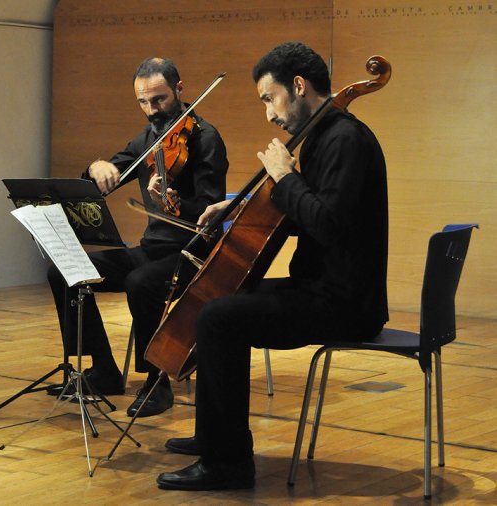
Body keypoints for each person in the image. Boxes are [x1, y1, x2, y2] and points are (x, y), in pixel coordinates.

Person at [155, 42, 388, 490]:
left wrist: (285, 177)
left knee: (221, 319)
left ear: (298, 86)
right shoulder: (325, 137)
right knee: (220, 304)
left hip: (345, 303)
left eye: (269, 98)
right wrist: (234, 204)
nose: (269, 115)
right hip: (322, 290)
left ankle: (229, 465)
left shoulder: (346, 140)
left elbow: (328, 225)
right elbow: (309, 211)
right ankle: (213, 436)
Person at [47, 57, 228, 417]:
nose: (151, 110)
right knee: (64, 268)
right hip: (152, 249)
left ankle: (157, 382)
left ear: (179, 89)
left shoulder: (206, 139)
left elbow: (209, 214)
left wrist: (176, 202)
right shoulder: (149, 138)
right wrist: (97, 167)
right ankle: (103, 370)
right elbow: (108, 175)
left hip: (193, 254)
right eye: (143, 102)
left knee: (140, 282)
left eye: (158, 100)